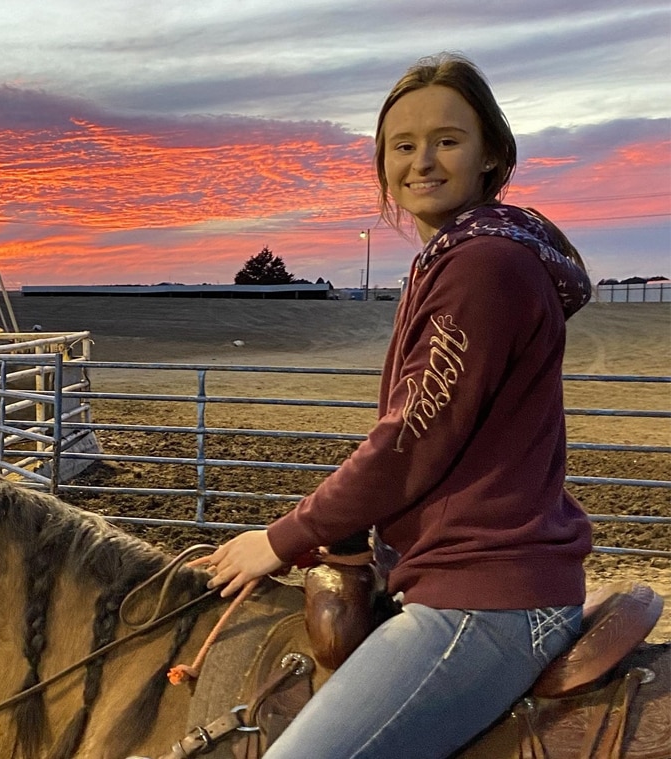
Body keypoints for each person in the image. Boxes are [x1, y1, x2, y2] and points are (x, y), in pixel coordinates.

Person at [192, 53, 593, 758]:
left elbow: (409, 440)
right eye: (402, 145)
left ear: (491, 151)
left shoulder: (483, 266)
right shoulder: (463, 255)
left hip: (486, 601)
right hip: (466, 577)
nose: (423, 160)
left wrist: (281, 538)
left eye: (447, 139)